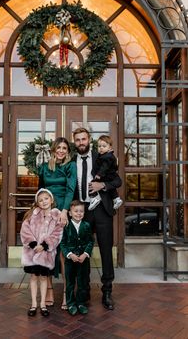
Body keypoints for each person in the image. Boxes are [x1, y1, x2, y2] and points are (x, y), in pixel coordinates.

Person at [72, 127, 122, 310]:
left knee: (106, 250)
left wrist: (103, 185)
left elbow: (118, 181)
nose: (81, 142)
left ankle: (107, 291)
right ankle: (83, 291)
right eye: (78, 140)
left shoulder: (101, 156)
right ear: (74, 142)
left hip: (101, 209)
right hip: (81, 210)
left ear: (89, 140)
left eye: (84, 139)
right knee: (81, 250)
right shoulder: (71, 160)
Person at [38, 137, 77, 309]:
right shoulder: (44, 168)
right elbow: (40, 191)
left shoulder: (70, 166)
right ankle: (49, 291)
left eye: (64, 148)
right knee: (47, 252)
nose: (61, 151)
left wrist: (64, 211)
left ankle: (67, 294)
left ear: (68, 151)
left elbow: (71, 189)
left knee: (63, 254)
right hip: (47, 213)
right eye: (58, 148)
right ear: (53, 150)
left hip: (62, 212)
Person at [20, 188, 63, 317]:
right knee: (33, 277)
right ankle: (34, 304)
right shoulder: (32, 215)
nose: (43, 202)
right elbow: (25, 230)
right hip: (32, 253)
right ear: (37, 203)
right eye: (40, 200)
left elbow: (57, 233)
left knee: (44, 277)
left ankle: (43, 304)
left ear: (51, 199)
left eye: (46, 198)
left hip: (46, 254)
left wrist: (45, 245)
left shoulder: (57, 215)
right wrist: (33, 244)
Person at [60, 200, 94, 316]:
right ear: (70, 213)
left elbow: (90, 241)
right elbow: (63, 244)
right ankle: (70, 303)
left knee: (82, 282)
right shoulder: (66, 226)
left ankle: (81, 303)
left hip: (83, 260)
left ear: (84, 213)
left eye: (81, 211)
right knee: (70, 282)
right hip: (70, 261)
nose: (78, 213)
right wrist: (70, 254)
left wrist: (85, 254)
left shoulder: (87, 225)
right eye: (76, 211)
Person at [88, 134, 123, 211]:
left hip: (107, 175)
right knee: (111, 189)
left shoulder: (107, 157)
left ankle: (94, 197)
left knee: (92, 184)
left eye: (104, 146)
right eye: (99, 146)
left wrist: (99, 174)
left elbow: (105, 167)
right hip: (109, 176)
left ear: (109, 147)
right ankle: (116, 199)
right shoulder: (104, 155)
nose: (101, 148)